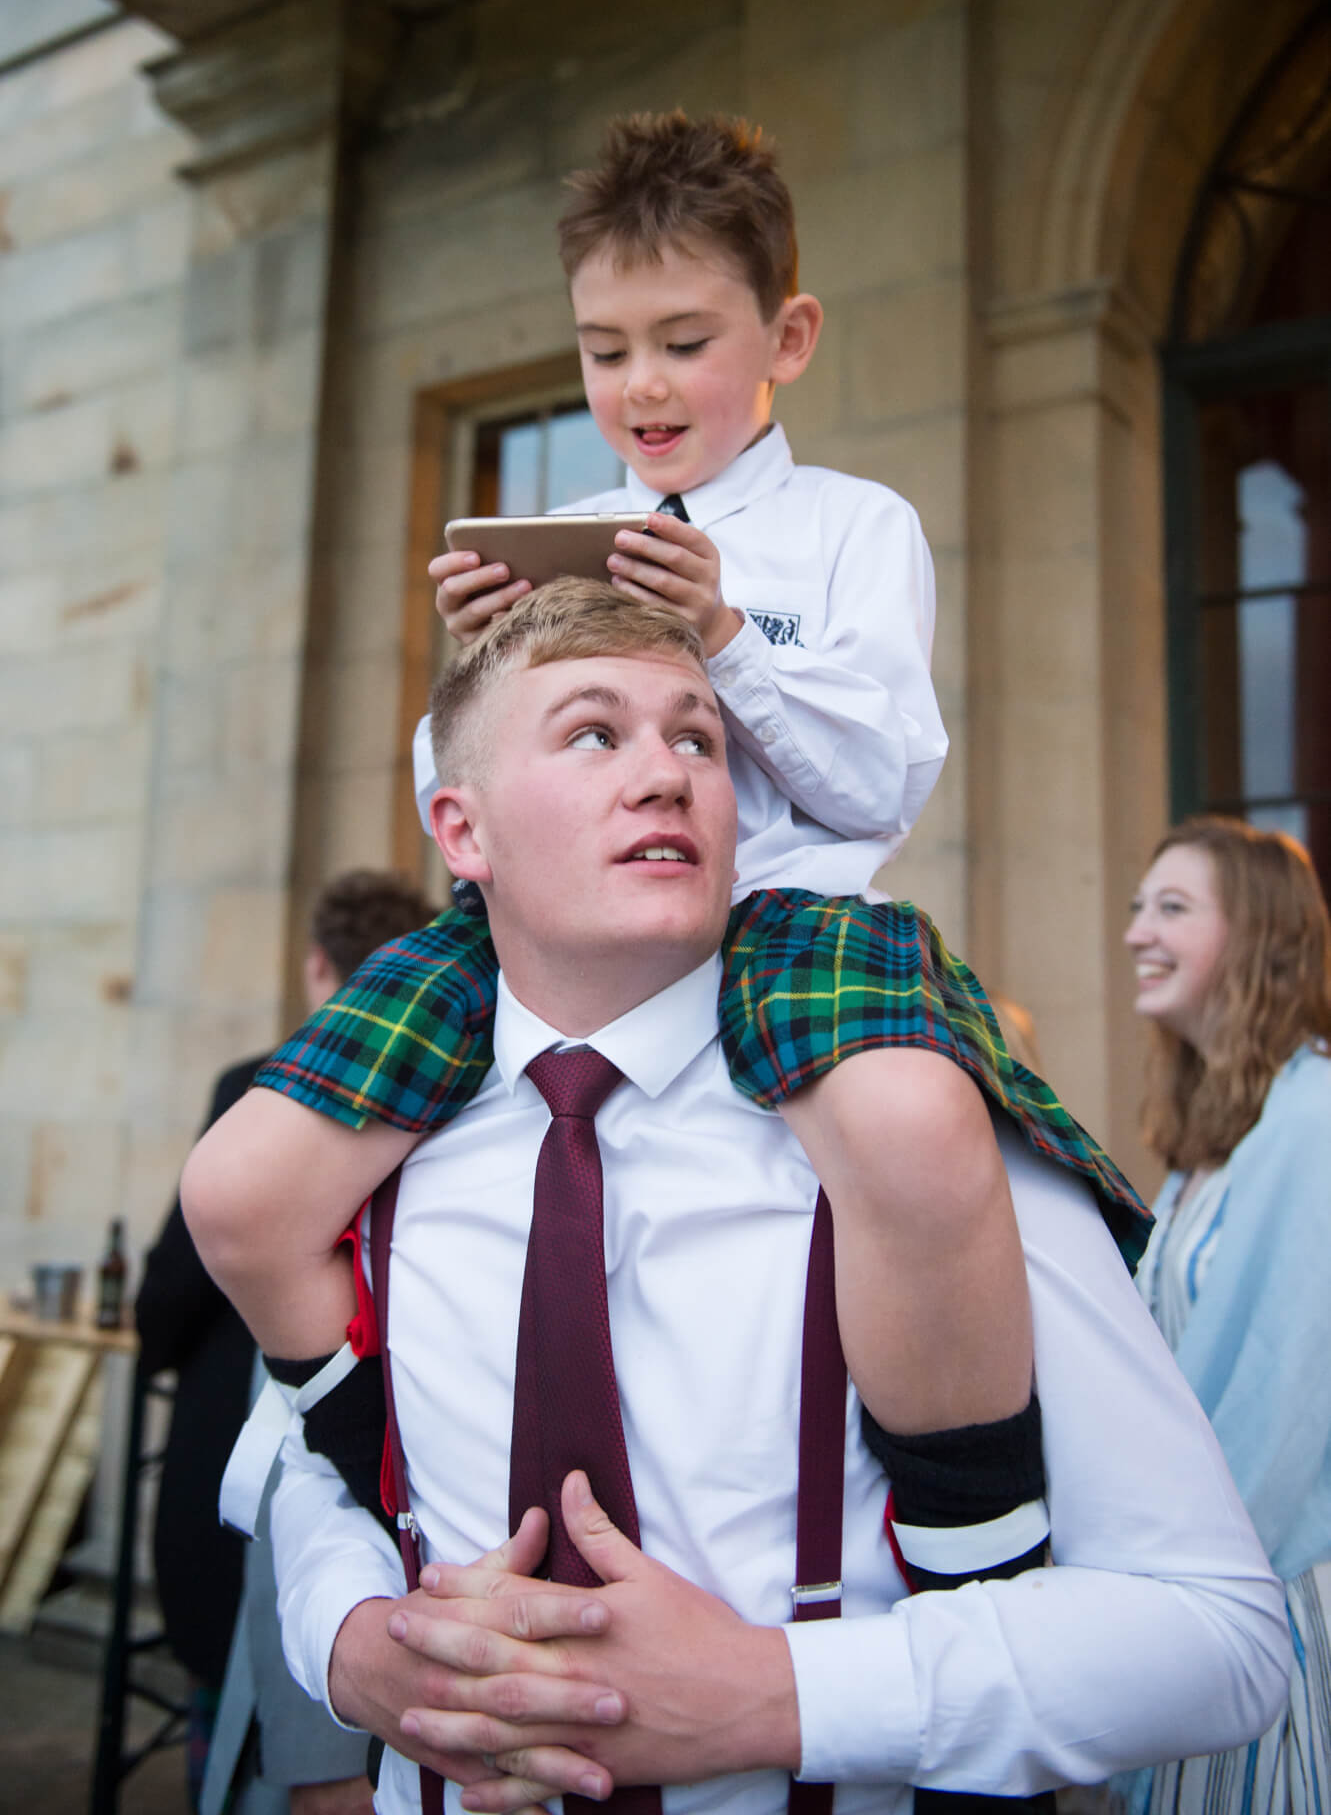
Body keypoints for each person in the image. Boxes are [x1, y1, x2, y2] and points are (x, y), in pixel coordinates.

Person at [185, 114, 1148, 1630]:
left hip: (784, 917)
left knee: (910, 1124)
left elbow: (879, 777)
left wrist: (721, 637)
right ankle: (379, 1471)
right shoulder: (563, 532)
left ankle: (975, 1546)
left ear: (786, 337)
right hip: (532, 929)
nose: (637, 387)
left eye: (683, 342)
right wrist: (484, 665)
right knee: (236, 1185)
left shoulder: (851, 529)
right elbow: (450, 789)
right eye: (602, 350)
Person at [248, 584, 1289, 1815]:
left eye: (698, 739)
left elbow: (1220, 1637)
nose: (666, 775)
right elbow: (304, 1466)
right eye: (594, 732)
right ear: (460, 830)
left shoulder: (914, 1137)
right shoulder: (370, 1148)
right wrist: (353, 1642)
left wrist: (775, 1693)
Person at [138, 868, 432, 1814]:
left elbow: (169, 1296)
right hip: (384, 1463)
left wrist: (158, 1338)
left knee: (246, 1734)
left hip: (267, 1445)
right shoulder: (450, 1091)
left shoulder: (263, 1089)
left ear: (318, 965)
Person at [1119, 815, 1331, 1815]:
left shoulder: (1314, 1115)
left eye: (1171, 908)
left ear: (1255, 937)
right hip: (1197, 1584)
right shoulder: (1217, 1132)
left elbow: (1283, 1396)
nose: (1135, 931)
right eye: (1136, 906)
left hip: (1264, 1593)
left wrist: (1182, 1587)